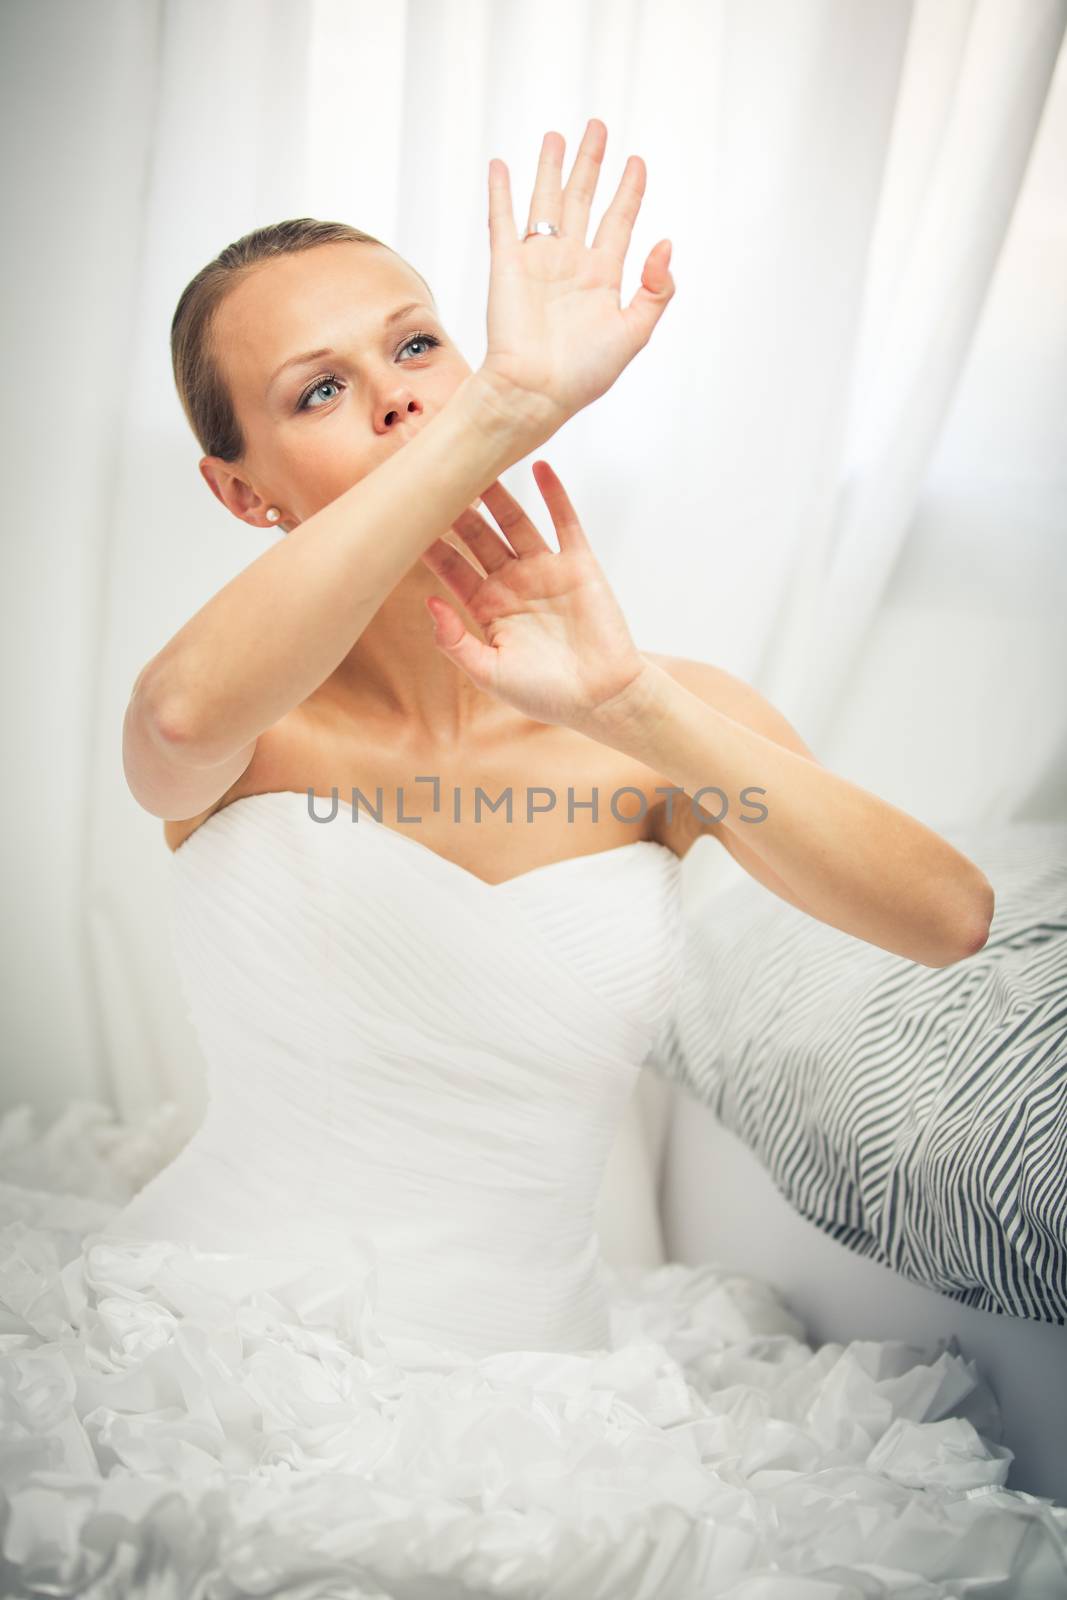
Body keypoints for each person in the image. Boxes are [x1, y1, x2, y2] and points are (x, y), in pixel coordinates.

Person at [1, 119, 1060, 1599]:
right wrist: (495, 407)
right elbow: (171, 719)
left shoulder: (650, 721)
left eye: (417, 346)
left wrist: (635, 706)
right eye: (320, 390)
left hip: (552, 1413)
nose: (395, 400)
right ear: (245, 492)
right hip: (202, 1363)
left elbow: (946, 917)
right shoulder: (249, 729)